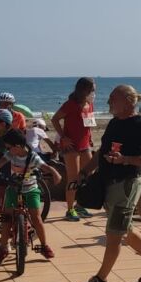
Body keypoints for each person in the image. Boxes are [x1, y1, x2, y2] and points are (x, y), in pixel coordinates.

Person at [78, 85, 141, 282]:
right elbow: (101, 152)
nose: (109, 102)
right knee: (126, 229)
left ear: (128, 101)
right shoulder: (114, 122)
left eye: (113, 99)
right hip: (109, 183)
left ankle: (101, 279)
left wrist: (125, 160)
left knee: (114, 233)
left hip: (126, 185)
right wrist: (84, 171)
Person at [0, 129, 61, 264]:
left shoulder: (33, 157)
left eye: (9, 147)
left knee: (36, 218)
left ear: (18, 146)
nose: (7, 150)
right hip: (14, 189)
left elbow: (45, 167)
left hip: (31, 189)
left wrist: (55, 173)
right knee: (6, 218)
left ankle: (44, 245)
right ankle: (3, 247)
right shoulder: (11, 155)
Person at [51, 77, 97, 221]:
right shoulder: (71, 104)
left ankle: (80, 205)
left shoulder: (89, 104)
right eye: (92, 90)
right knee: (73, 178)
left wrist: (90, 138)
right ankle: (70, 210)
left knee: (89, 174)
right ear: (84, 90)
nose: (94, 93)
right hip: (71, 147)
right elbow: (54, 119)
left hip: (85, 145)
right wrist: (63, 137)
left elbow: (88, 124)